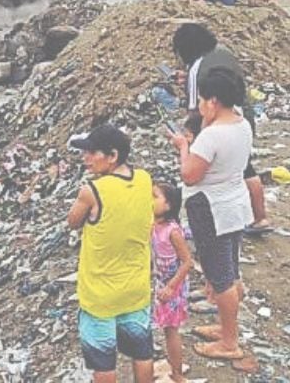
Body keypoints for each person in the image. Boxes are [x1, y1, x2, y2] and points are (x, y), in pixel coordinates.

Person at [168, 68, 251, 362]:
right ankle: (227, 328)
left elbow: (190, 175)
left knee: (220, 278)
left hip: (211, 209)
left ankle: (229, 342)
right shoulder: (241, 123)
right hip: (235, 204)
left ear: (213, 101)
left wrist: (183, 147)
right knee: (230, 270)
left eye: (203, 100)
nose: (200, 106)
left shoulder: (210, 137)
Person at [67, 124, 155, 383]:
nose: (86, 158)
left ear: (113, 155)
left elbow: (72, 221)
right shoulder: (144, 179)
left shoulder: (92, 191)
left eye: (92, 152)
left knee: (104, 363)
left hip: (100, 295)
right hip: (136, 289)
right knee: (142, 353)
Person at [170, 24, 269, 233]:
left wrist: (189, 139)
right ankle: (260, 218)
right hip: (240, 117)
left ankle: (209, 221)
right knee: (245, 168)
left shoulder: (197, 69)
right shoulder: (222, 53)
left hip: (218, 122)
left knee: (209, 172)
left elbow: (195, 110)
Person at [151, 181, 192, 383]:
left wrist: (170, 287)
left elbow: (187, 262)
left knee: (171, 329)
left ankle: (177, 375)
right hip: (162, 282)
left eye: (154, 197)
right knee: (167, 328)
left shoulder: (172, 231)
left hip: (173, 285)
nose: (149, 201)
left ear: (168, 205)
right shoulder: (154, 225)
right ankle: (174, 367)